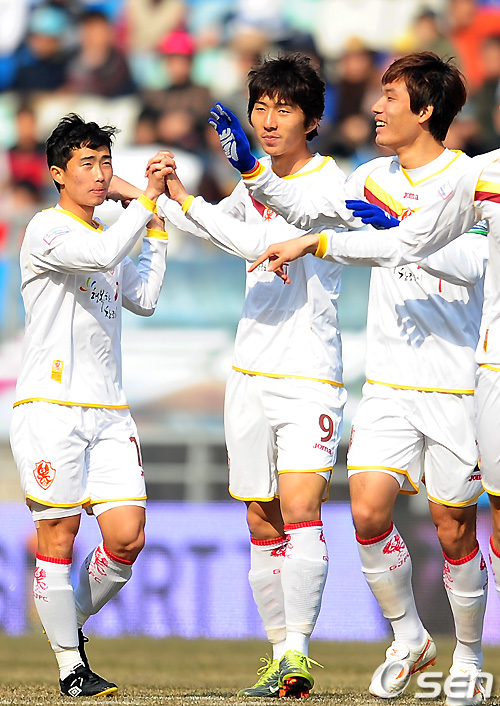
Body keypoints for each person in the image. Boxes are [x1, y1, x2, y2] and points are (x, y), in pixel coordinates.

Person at [210, 52, 489, 705]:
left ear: (425, 110)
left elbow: (471, 262)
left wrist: (402, 239)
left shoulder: (470, 180)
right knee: (366, 512)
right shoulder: (368, 179)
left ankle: (470, 654)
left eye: (390, 98)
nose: (376, 108)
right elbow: (307, 208)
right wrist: (253, 173)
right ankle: (409, 636)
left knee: (454, 528)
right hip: (387, 382)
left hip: (455, 381)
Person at [144, 53, 352, 699]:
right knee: (262, 520)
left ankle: (299, 656)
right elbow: (223, 231)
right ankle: (277, 655)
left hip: (308, 372)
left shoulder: (329, 183)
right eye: (260, 107)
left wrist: (237, 178)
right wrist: (170, 195)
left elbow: (257, 244)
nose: (267, 119)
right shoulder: (252, 182)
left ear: (311, 120)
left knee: (302, 508)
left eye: (283, 108)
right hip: (249, 369)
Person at [9, 113, 170, 698]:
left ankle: (67, 620)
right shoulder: (47, 230)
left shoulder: (110, 234)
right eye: (86, 163)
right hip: (50, 405)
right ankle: (69, 668)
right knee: (58, 534)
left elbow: (143, 298)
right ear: (58, 173)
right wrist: (143, 199)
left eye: (106, 163)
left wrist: (156, 232)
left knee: (127, 537)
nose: (100, 174)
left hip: (108, 411)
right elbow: (102, 253)